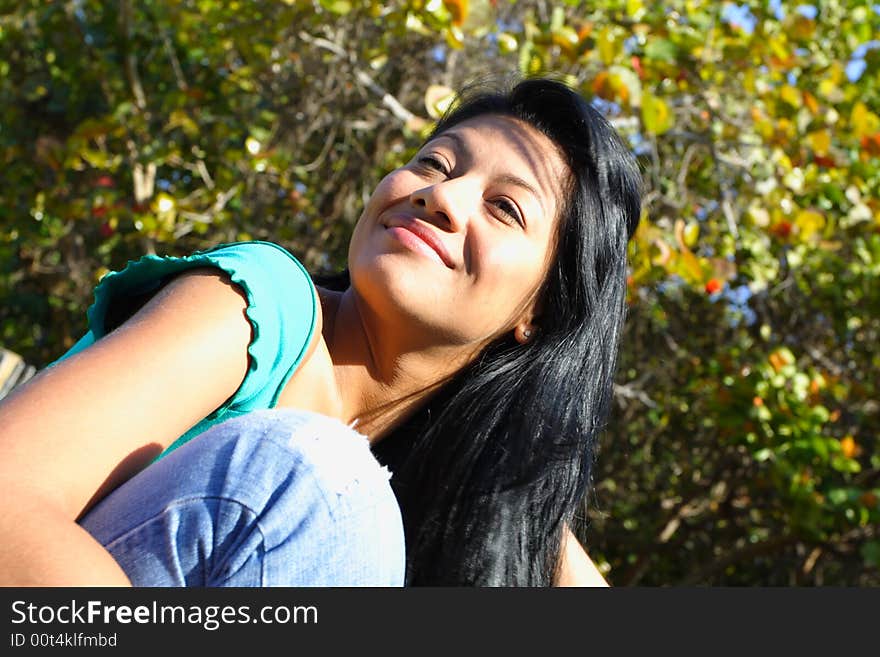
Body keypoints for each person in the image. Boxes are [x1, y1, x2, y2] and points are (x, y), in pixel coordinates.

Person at [0, 76, 641, 587]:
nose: (440, 197)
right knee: (317, 471)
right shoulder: (258, 309)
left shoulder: (470, 479)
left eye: (504, 207)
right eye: (434, 166)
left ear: (540, 313)